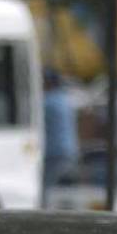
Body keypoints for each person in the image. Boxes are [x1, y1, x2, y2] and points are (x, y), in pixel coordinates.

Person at [42, 68, 79, 202]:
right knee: (64, 190)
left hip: (53, 152)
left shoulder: (47, 102)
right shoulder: (65, 99)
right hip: (69, 150)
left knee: (46, 190)